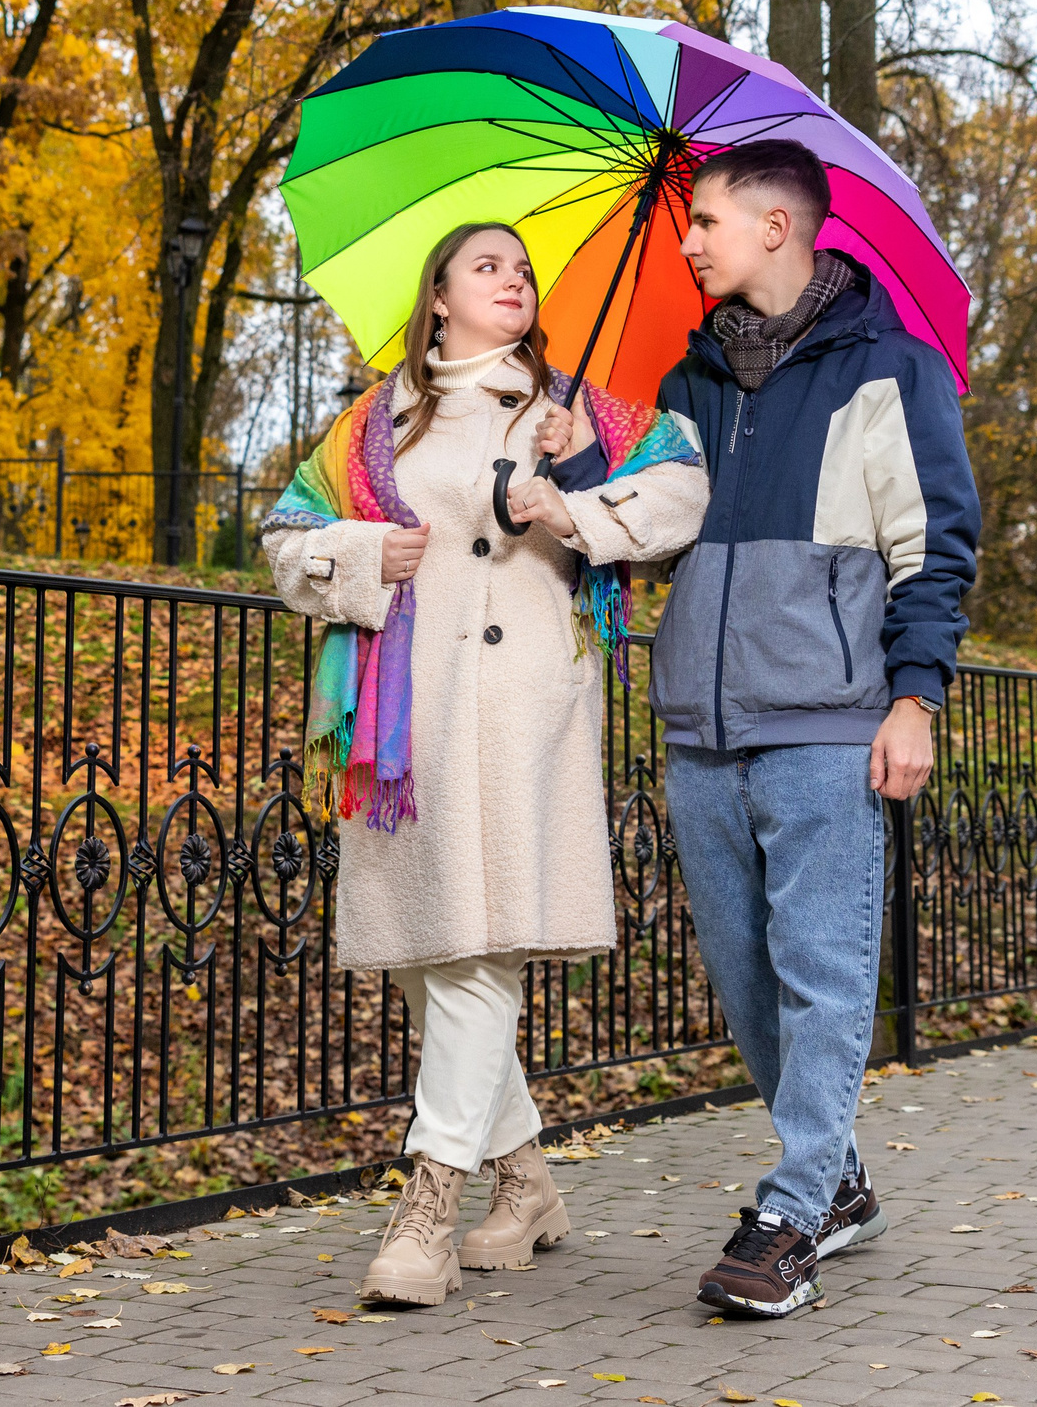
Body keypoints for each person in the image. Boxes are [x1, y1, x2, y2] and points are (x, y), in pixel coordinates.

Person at [259, 221, 707, 1308]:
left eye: (521, 269)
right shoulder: (374, 423)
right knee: (433, 957)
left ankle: (429, 1200)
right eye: (486, 266)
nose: (512, 280)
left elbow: (686, 490)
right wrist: (366, 553)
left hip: (521, 710)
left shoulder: (580, 411)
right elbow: (283, 537)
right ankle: (528, 1184)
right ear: (441, 296)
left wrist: (572, 493)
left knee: (482, 948)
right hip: (403, 724)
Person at [578, 139, 979, 1318]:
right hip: (700, 723)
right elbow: (650, 531)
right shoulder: (688, 384)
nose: (688, 239)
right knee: (744, 974)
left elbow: (935, 546)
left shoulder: (890, 371)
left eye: (704, 220)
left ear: (775, 225)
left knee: (822, 968)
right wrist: (580, 459)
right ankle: (840, 1181)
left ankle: (793, 1212)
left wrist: (913, 698)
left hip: (826, 717)